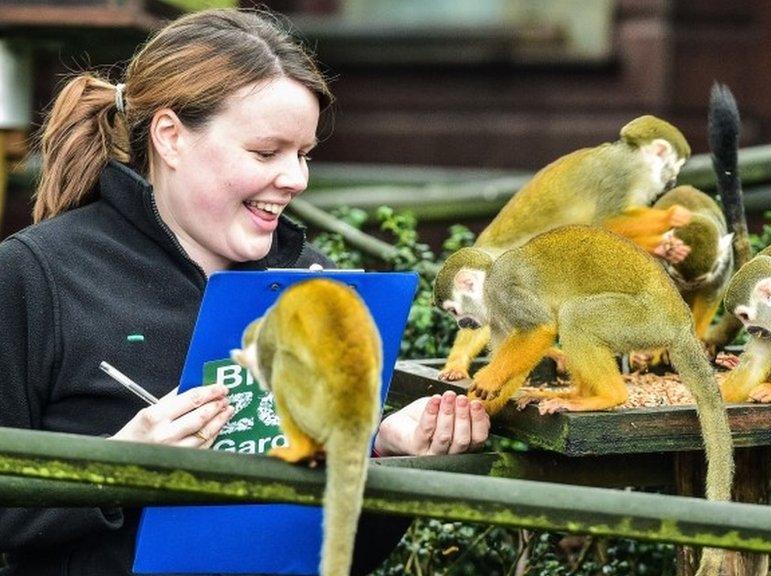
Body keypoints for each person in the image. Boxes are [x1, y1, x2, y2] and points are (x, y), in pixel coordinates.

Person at [0, 9, 489, 576]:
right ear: (170, 137)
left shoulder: (318, 280)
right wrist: (116, 469)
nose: (296, 179)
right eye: (265, 153)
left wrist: (385, 454)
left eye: (303, 154)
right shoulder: (35, 275)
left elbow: (340, 553)